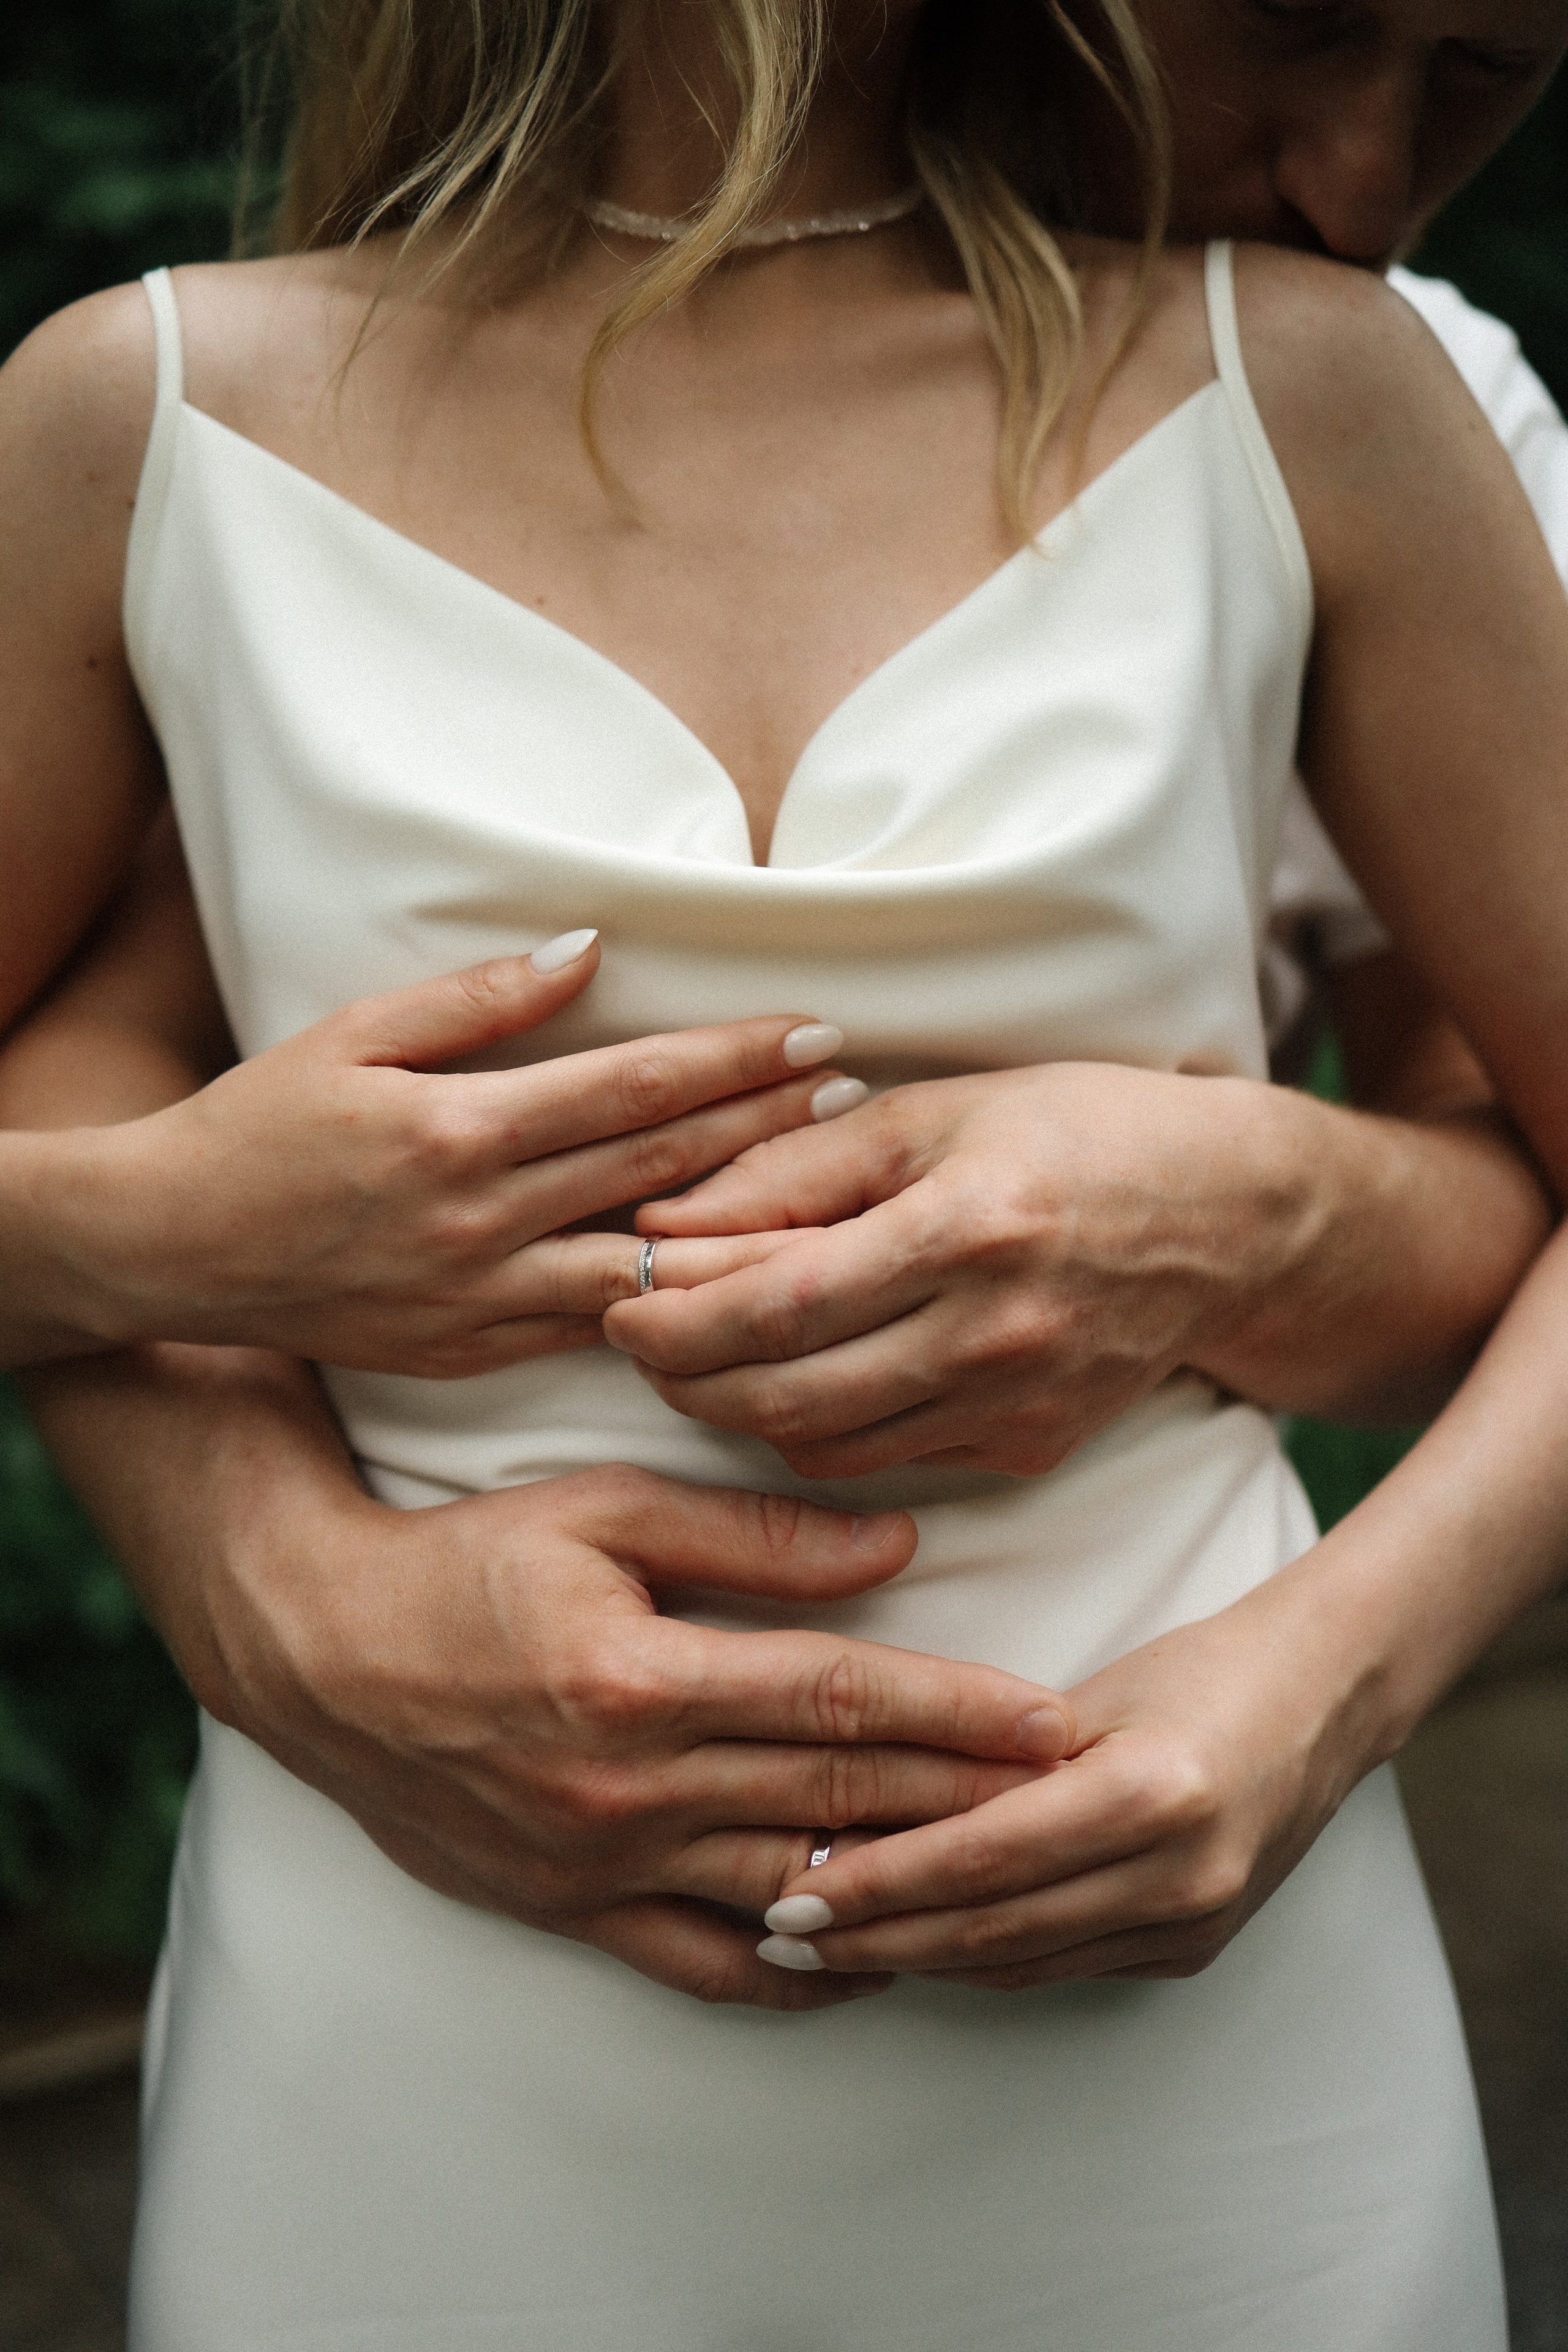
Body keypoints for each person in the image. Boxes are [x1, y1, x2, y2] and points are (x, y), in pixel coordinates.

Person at [3, 0, 1568, 2342]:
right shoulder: (139, 419)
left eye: (1487, 74)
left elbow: (1497, 1166)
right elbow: (78, 1071)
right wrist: (205, 1306)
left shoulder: (1331, 390)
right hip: (414, 2038)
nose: (1364, 169)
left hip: (1192, 2035)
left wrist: (1325, 1678)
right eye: (1305, 26)